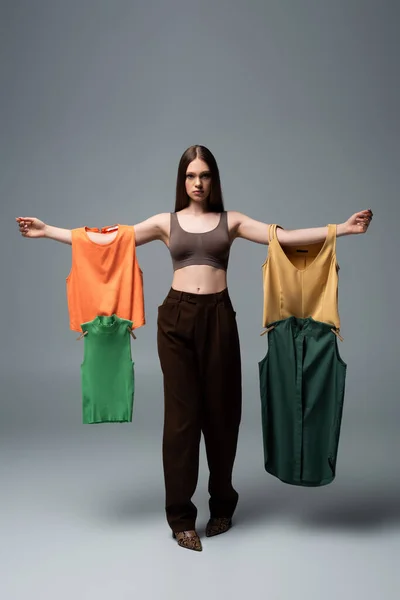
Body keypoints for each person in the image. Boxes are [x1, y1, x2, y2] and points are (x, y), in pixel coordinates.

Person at [16, 144, 373, 552]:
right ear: (182, 180)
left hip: (219, 318)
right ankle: (181, 518)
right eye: (191, 176)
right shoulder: (165, 223)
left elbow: (287, 239)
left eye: (204, 176)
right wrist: (48, 232)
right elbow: (106, 242)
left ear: (213, 179)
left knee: (223, 416)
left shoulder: (232, 221)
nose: (198, 183)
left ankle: (223, 506)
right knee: (182, 421)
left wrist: (341, 229)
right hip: (176, 319)